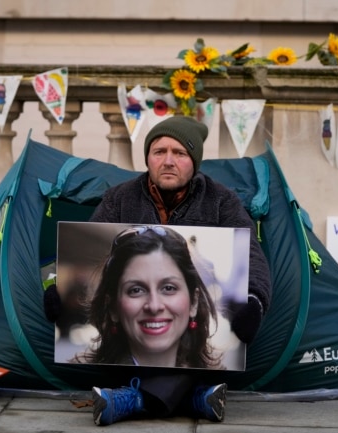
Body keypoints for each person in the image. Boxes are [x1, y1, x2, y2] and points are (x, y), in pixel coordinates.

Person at [45, 115, 271, 426]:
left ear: (194, 162)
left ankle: (133, 399)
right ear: (148, 158)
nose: (168, 161)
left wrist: (255, 301)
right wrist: (54, 285)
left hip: (189, 341)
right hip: (130, 342)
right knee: (138, 338)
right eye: (159, 151)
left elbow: (254, 257)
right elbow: (71, 246)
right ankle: (195, 399)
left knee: (185, 347)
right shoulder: (119, 198)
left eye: (179, 153)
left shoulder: (221, 201)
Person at [72, 225, 222, 369]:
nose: (154, 306)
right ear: (113, 308)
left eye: (169, 288)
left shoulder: (218, 382)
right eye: (136, 290)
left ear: (193, 303)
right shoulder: (80, 381)